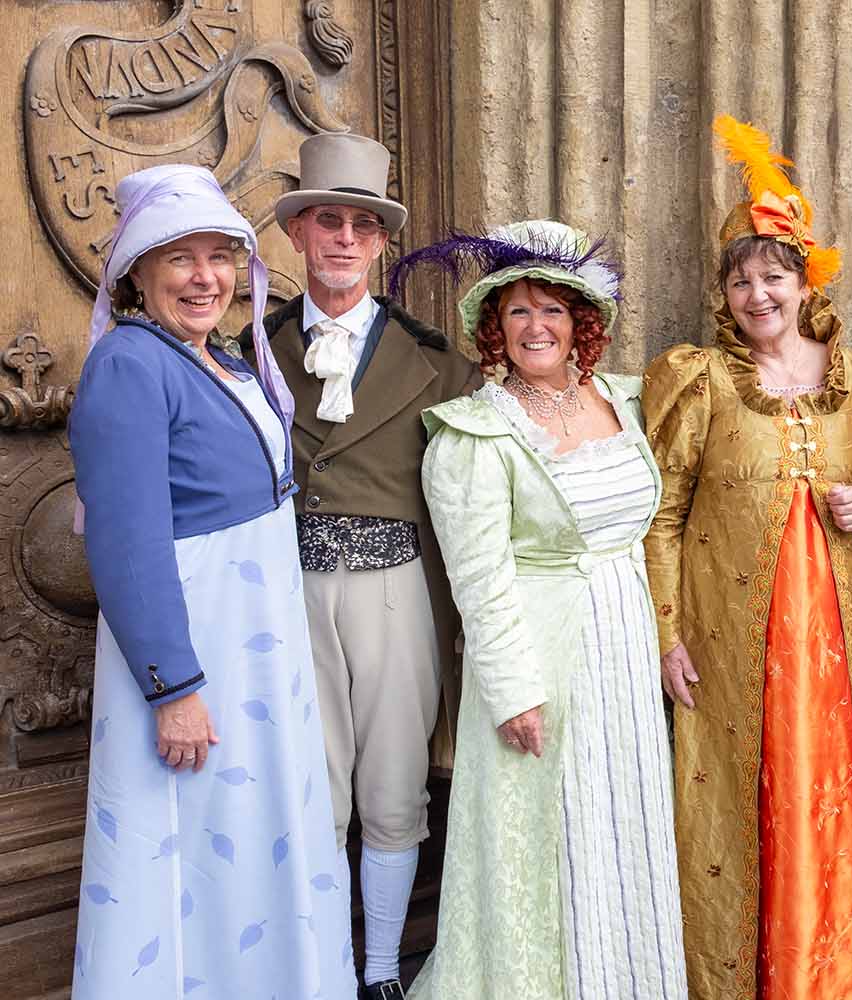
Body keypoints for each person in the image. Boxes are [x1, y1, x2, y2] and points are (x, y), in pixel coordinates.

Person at [68, 164, 355, 999]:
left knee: (248, 833)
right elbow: (127, 543)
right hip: (199, 657)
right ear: (137, 275)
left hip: (255, 655)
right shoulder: (129, 364)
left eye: (219, 257)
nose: (205, 278)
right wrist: (173, 688)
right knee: (194, 841)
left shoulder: (218, 359)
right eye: (178, 259)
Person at [383, 220, 687, 999]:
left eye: (552, 310)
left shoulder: (626, 399)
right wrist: (514, 690)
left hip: (622, 645)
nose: (536, 326)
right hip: (538, 655)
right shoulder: (475, 432)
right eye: (517, 313)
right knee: (547, 838)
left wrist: (665, 631)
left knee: (622, 823)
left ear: (581, 323)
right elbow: (477, 579)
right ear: (495, 328)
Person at [643, 115, 852, 1000]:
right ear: (725, 295)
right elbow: (664, 514)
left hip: (838, 638)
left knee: (833, 794)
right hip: (728, 640)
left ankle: (830, 978)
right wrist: (667, 633)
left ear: (805, 282)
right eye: (743, 280)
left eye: (775, 275)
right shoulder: (699, 380)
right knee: (737, 804)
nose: (759, 294)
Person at [250, 133, 482, 1000]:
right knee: (312, 791)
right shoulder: (249, 351)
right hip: (285, 595)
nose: (343, 239)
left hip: (397, 596)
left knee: (392, 788)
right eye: (325, 221)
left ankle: (381, 969)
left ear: (381, 243)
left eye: (360, 225)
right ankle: (317, 971)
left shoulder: (440, 366)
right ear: (299, 234)